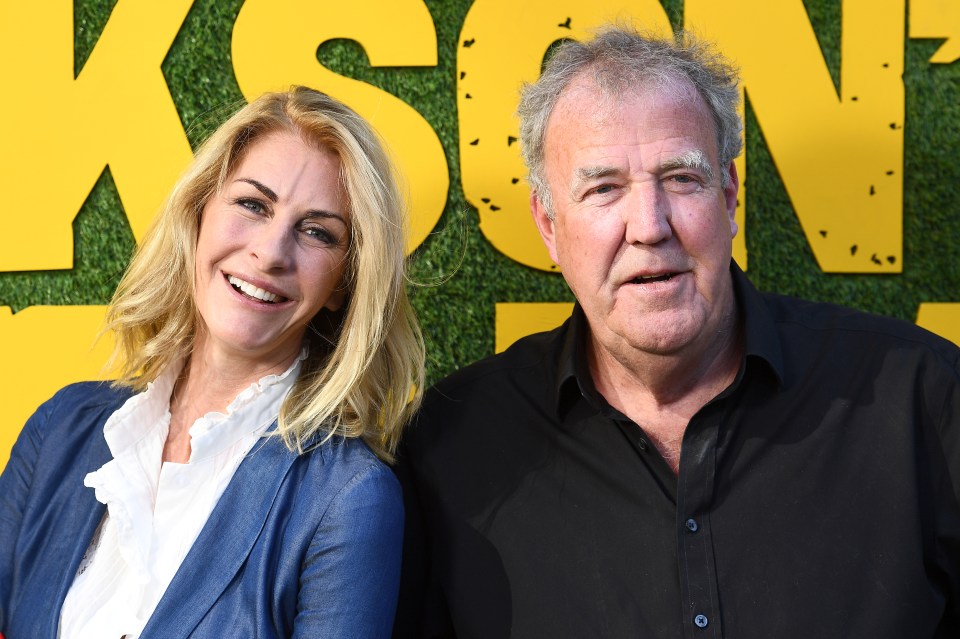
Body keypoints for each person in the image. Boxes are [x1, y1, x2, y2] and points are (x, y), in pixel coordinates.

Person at [397, 27, 960, 638]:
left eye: (680, 178)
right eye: (603, 188)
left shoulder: (924, 402)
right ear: (548, 225)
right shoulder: (450, 449)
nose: (649, 226)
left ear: (729, 195)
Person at [0, 86, 424, 638]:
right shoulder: (60, 428)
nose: (271, 252)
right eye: (253, 204)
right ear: (199, 212)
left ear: (344, 284)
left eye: (317, 232)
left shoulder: (348, 499)